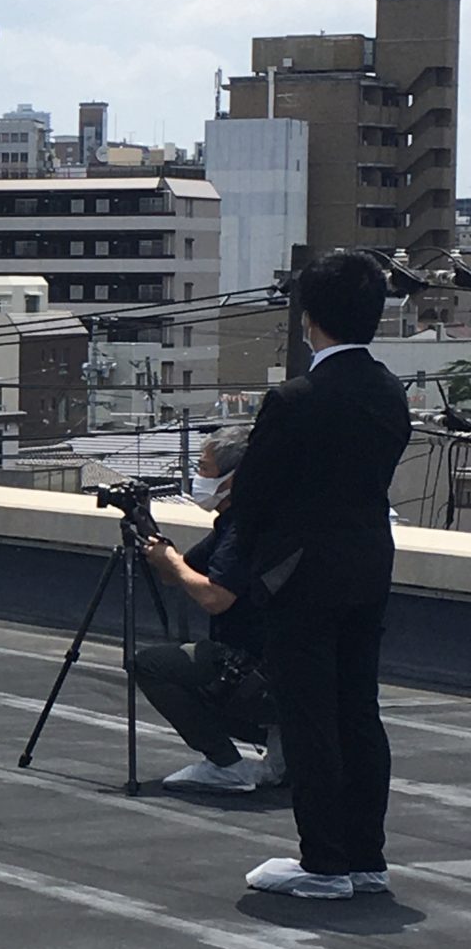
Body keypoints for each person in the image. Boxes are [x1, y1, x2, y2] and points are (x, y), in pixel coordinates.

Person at [231, 249, 412, 899]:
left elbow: (251, 497)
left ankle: (324, 863)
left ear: (309, 318)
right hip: (368, 565)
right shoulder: (390, 391)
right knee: (359, 710)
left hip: (301, 575)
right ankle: (365, 857)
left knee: (309, 715)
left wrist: (247, 561)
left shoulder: (294, 400)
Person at [136, 424, 284, 795]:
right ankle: (284, 747)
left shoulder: (241, 530)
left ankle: (226, 765)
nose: (198, 477)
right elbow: (180, 572)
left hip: (254, 670)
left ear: (232, 479)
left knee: (149, 665)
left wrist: (171, 561)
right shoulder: (252, 519)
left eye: (204, 468)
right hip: (282, 665)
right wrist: (155, 544)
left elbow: (215, 597)